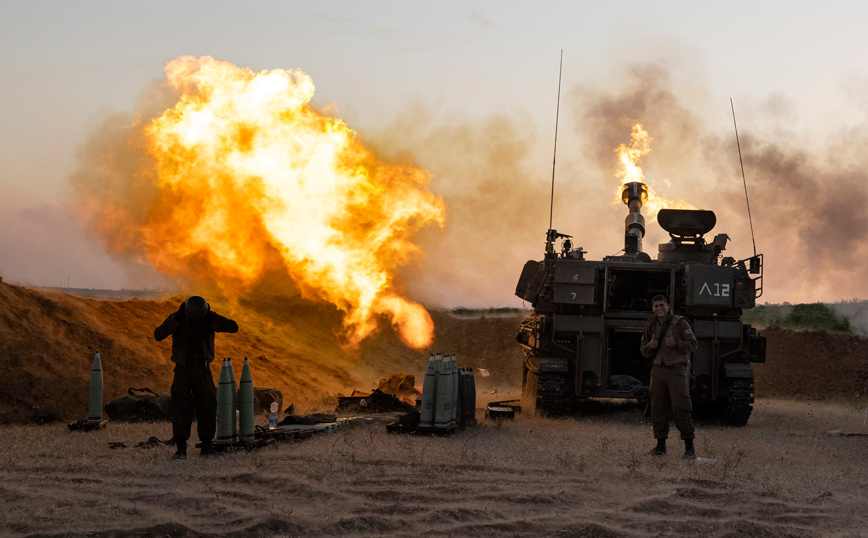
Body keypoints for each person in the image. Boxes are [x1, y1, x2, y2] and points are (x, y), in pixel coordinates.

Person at [154, 296, 238, 459]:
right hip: (183, 370)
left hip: (202, 369)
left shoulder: (209, 319)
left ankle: (206, 445)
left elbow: (233, 327)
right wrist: (177, 320)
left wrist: (211, 317)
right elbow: (159, 334)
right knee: (180, 408)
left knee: (207, 406)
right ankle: (181, 448)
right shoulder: (177, 318)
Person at [640, 294, 698, 459]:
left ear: (668, 306)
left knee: (681, 407)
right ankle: (660, 446)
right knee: (658, 408)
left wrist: (677, 344)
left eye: (662, 305)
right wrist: (650, 347)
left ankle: (689, 448)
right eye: (656, 306)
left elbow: (693, 344)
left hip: (676, 370)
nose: (659, 309)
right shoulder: (651, 325)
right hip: (658, 370)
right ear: (653, 308)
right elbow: (643, 349)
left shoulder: (680, 323)